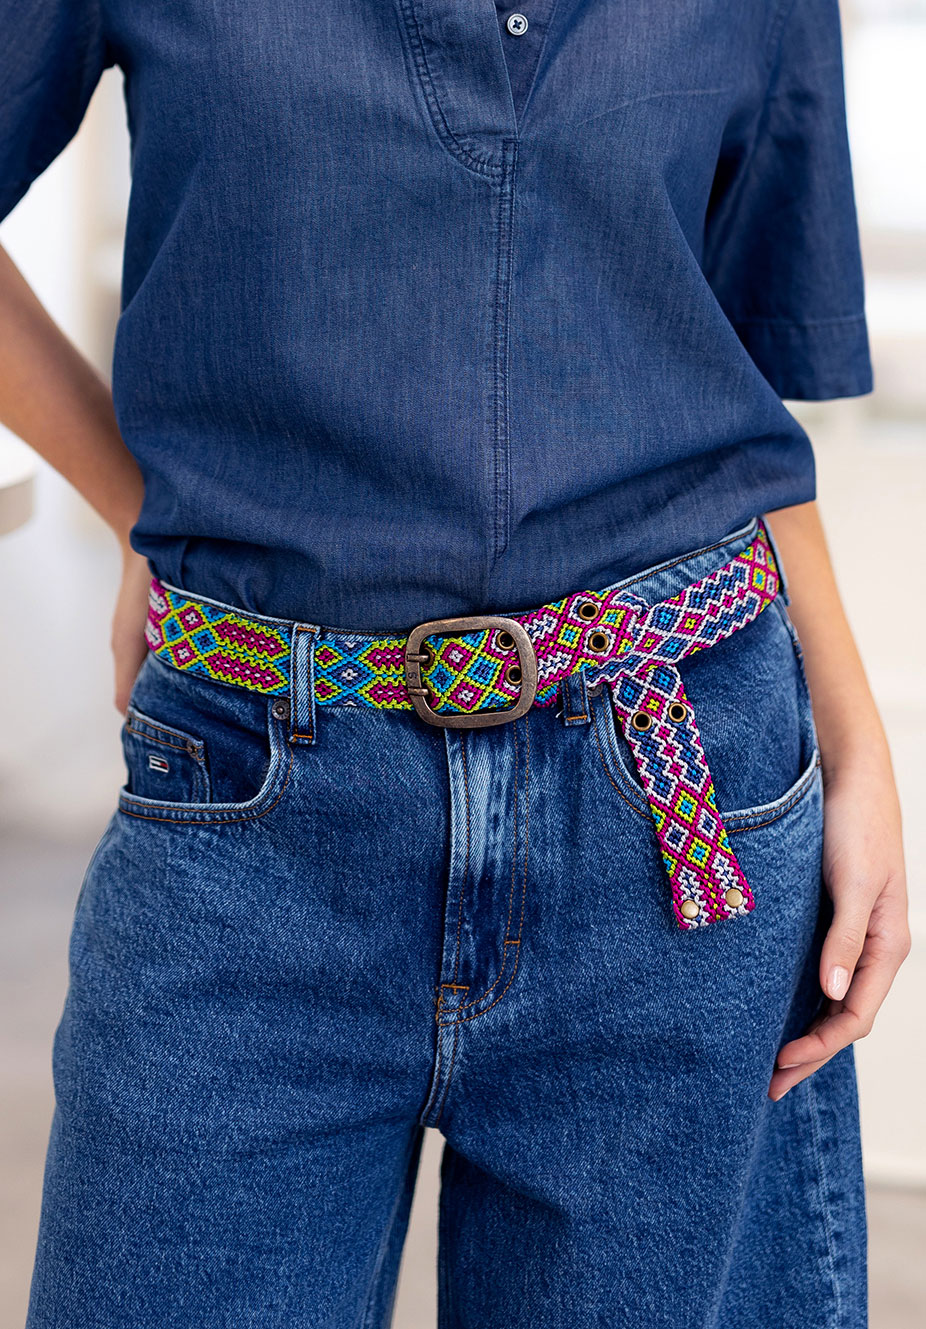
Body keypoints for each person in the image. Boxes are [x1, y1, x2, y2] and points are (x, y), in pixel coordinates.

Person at [0, 2, 910, 1325]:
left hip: (675, 809)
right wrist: (140, 502)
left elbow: (734, 376)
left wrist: (856, 741)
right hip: (251, 820)